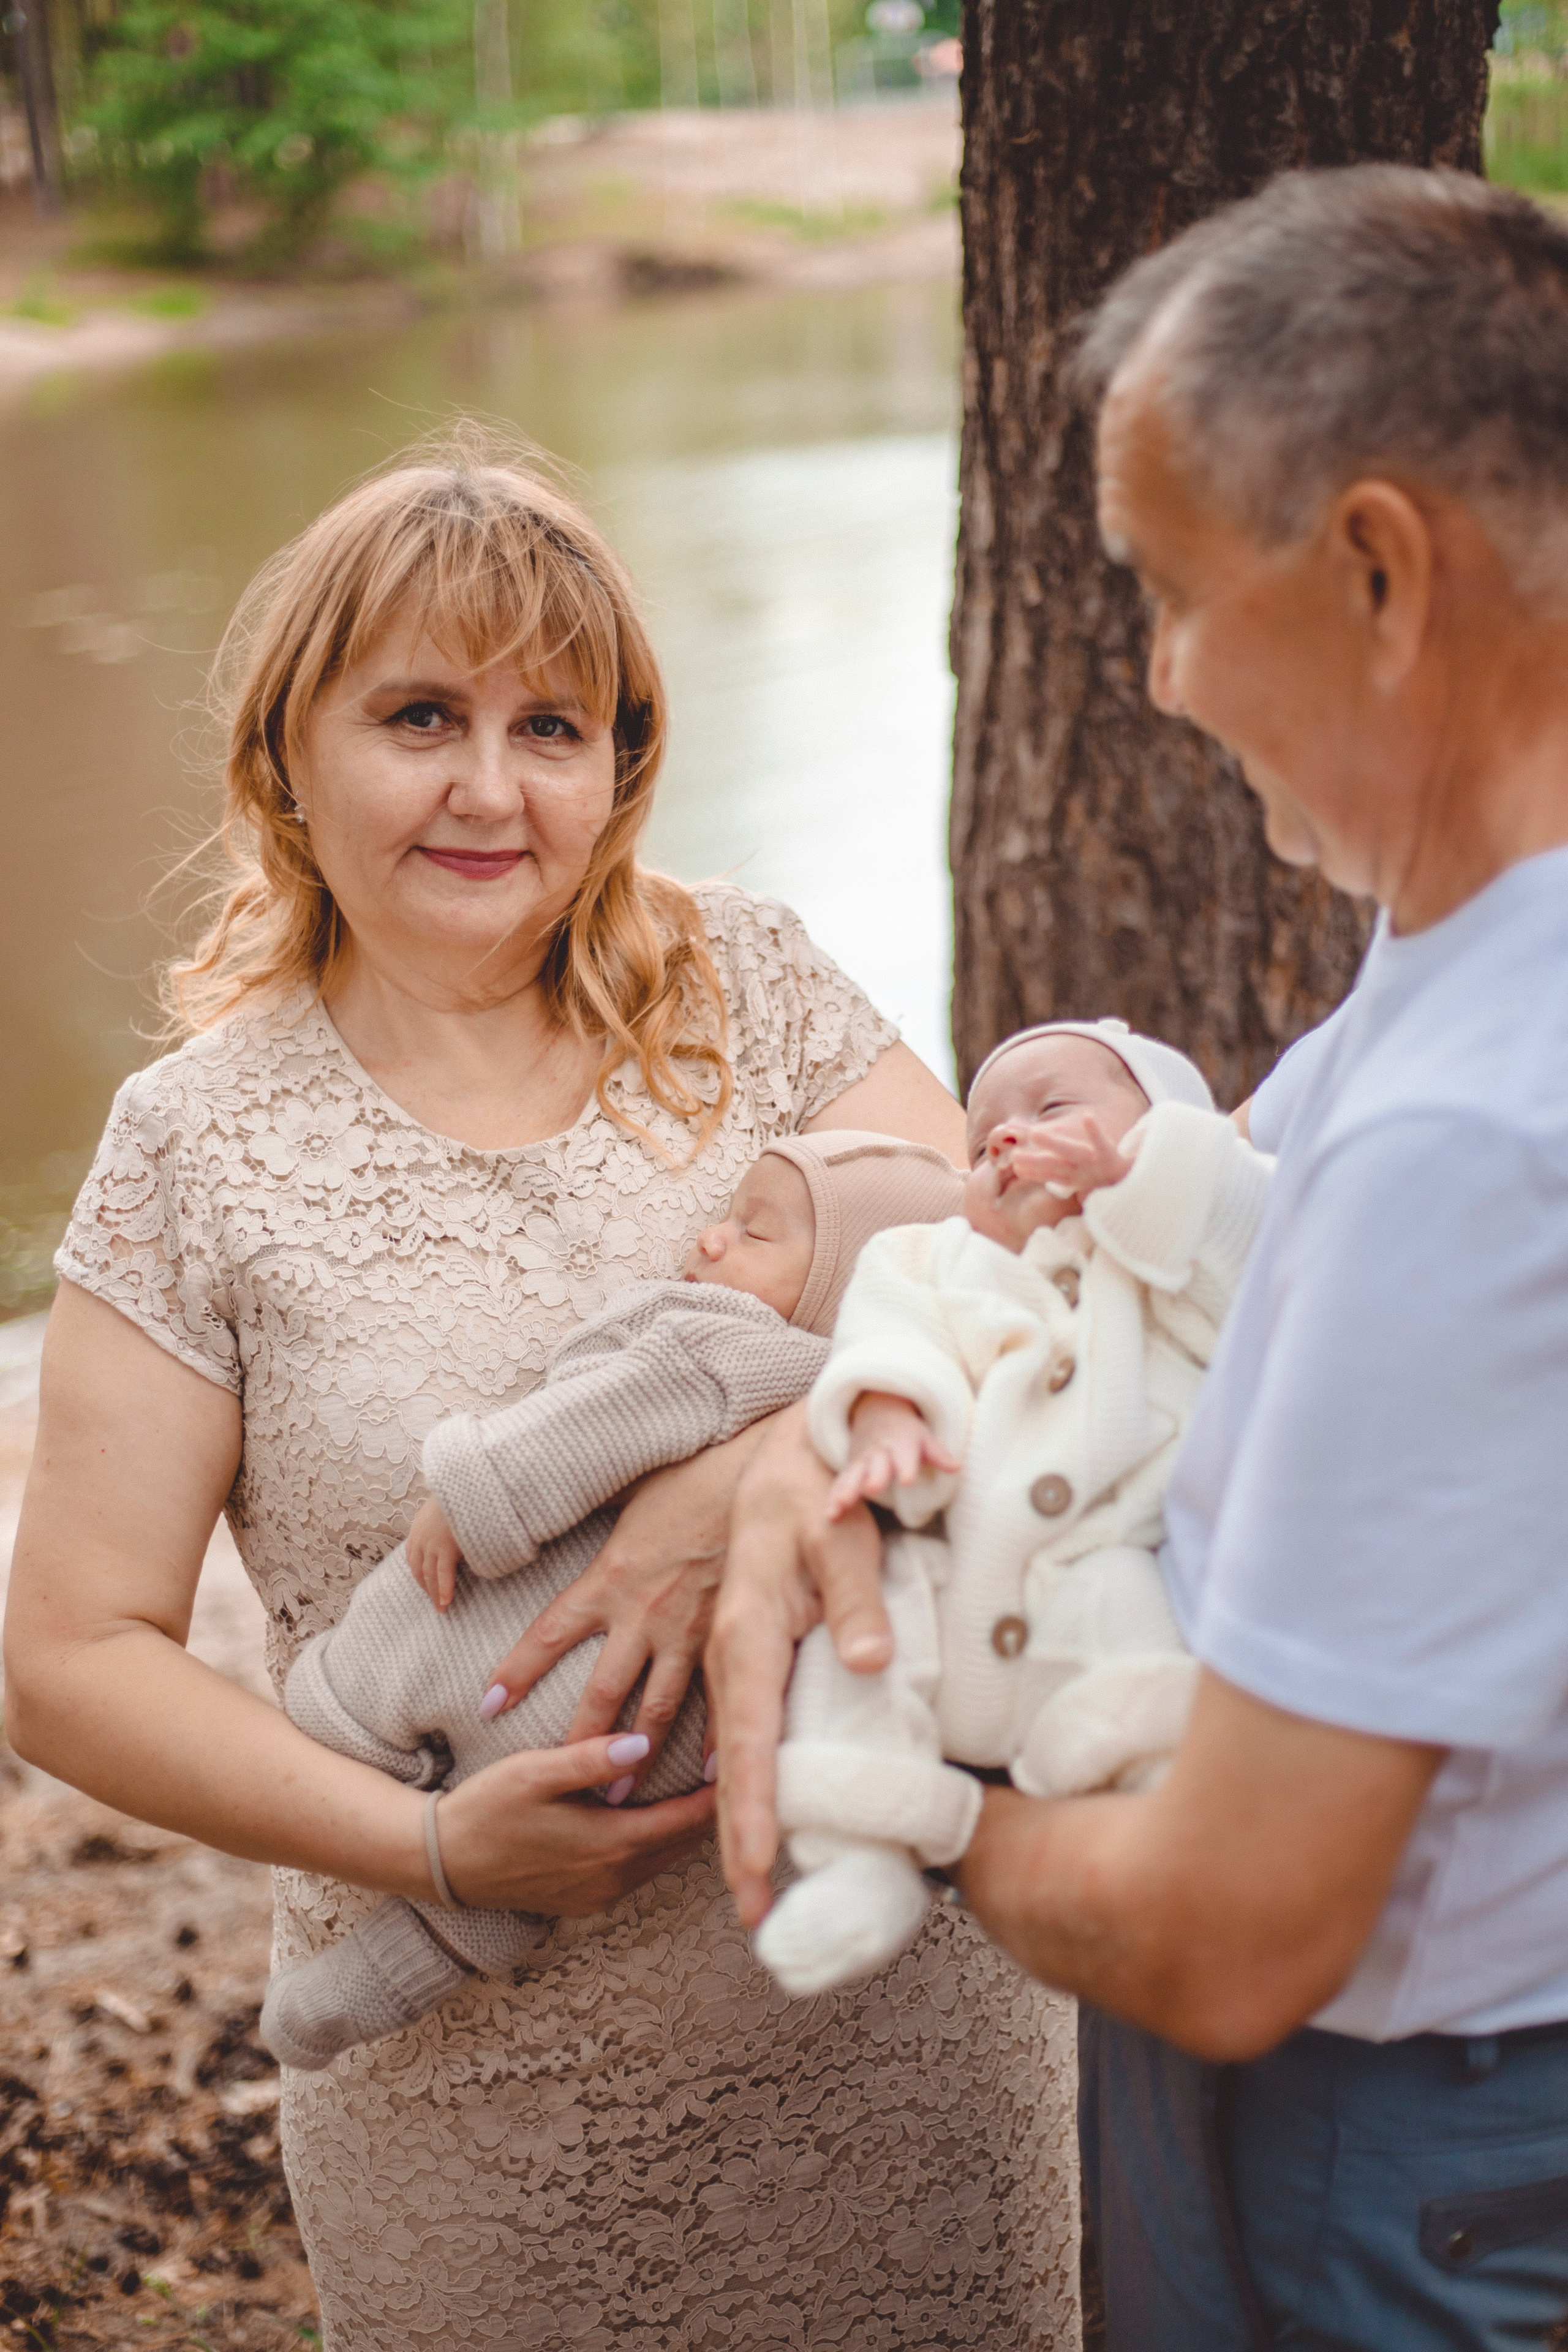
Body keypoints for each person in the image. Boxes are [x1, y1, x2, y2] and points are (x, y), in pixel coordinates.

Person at [4, 432, 1082, 2350]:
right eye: (421, 717)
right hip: (474, 2106)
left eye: (554, 728)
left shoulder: (755, 988)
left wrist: (744, 1470)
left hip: (908, 2047)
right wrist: (424, 1850)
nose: (492, 789)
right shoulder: (192, 1150)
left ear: (622, 765)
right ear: (287, 758)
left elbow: (1011, 1296)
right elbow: (75, 1656)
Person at [708, 165, 1568, 2350]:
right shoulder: (1472, 951)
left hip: (1407, 2156)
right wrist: (805, 1457)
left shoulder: (1485, 1134)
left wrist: (908, 1790)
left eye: (1176, 593)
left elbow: (1224, 1935)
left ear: (1381, 568)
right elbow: (1218, 1191)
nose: (1164, 676)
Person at [259, 1131, 961, 2071]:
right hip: (640, 1745)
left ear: (845, 1287)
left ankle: (343, 1753)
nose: (712, 1240)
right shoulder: (869, 1431)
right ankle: (353, 1994)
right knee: (509, 1888)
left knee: (383, 1678)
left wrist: (471, 1494)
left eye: (754, 1232)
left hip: (505, 1653)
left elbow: (590, 1422)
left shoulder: (718, 1343)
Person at [754, 1020, 1269, 1997]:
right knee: (861, 1629)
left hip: (1109, 1558)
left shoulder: (1170, 1254)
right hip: (956, 1553)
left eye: (1053, 1108)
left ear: (1171, 1128)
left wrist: (1148, 1183)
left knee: (1143, 1644)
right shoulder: (933, 1257)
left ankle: (1155, 1802)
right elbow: (888, 1331)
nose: (1007, 1138)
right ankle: (864, 1850)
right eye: (982, 1137)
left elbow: (1266, 1264)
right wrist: (886, 1419)